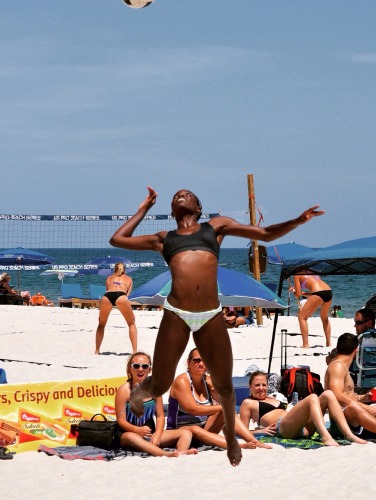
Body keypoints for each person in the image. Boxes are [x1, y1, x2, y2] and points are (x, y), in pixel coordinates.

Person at [108, 186, 324, 466]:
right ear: (172, 211)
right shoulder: (164, 239)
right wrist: (144, 209)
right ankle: (139, 393)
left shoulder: (215, 227)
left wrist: (298, 220)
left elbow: (265, 234)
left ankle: (232, 438)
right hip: (176, 312)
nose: (180, 195)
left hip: (210, 314)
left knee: (224, 385)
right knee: (159, 384)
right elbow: (117, 239)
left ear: (198, 208)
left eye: (186, 194)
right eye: (176, 196)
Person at [166, 349, 271, 450]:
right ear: (188, 363)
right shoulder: (182, 381)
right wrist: (221, 407)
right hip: (180, 433)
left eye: (205, 360)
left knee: (226, 412)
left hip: (204, 432)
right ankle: (238, 446)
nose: (201, 364)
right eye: (196, 360)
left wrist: (214, 387)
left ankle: (253, 441)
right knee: (197, 427)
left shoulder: (208, 381)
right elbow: (194, 409)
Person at [239, 371, 367, 446]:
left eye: (263, 385)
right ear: (250, 387)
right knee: (312, 398)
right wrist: (262, 431)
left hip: (301, 426)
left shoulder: (273, 397)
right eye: (257, 385)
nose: (261, 388)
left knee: (328, 394)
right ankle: (325, 436)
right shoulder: (248, 403)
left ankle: (348, 434)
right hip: (283, 428)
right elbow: (240, 431)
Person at [114, 352, 198, 457]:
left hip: (150, 433)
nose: (140, 369)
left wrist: (158, 435)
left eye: (145, 366)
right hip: (127, 433)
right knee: (131, 437)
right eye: (136, 366)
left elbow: (160, 415)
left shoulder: (154, 389)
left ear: (150, 369)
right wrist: (137, 430)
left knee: (186, 433)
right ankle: (165, 454)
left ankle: (180, 453)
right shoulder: (123, 391)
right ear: (130, 369)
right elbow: (121, 420)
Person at [95, 262, 138, 355]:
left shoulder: (108, 278)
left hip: (107, 296)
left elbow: (108, 290)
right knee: (131, 323)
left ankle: (97, 351)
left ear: (114, 269)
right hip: (121, 295)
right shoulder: (129, 279)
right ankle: (134, 351)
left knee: (101, 324)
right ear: (125, 270)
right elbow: (127, 295)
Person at [290, 272, 333, 348]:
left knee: (301, 317)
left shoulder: (297, 275)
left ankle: (305, 344)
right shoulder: (312, 271)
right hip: (328, 291)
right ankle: (328, 343)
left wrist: (294, 291)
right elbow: (316, 293)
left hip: (318, 293)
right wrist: (302, 293)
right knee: (324, 318)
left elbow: (298, 295)